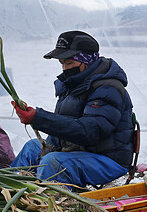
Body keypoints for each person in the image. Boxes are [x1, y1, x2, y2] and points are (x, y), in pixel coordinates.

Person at [9, 30, 136, 187]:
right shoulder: (72, 85)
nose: (64, 68)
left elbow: (90, 132)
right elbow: (63, 129)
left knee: (52, 162)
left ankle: (53, 207)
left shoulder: (108, 88)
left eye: (69, 63)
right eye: (62, 63)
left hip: (107, 159)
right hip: (77, 153)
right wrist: (45, 138)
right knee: (32, 148)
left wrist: (39, 119)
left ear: (87, 61)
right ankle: (9, 194)